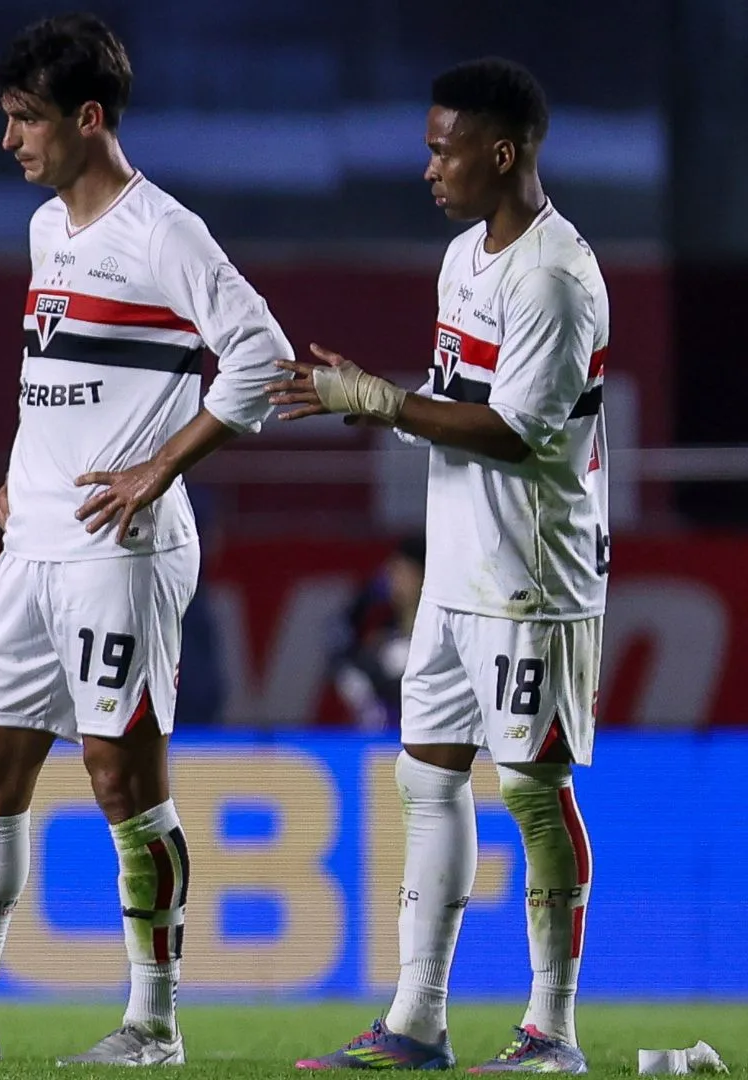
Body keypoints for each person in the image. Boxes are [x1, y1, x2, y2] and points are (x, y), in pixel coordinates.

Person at [0, 13, 291, 1067]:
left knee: (124, 781)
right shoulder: (49, 232)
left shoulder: (162, 231)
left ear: (89, 119)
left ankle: (154, 1022)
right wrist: (20, 468)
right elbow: (63, 375)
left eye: (25, 119)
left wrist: (157, 467)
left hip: (120, 549)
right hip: (33, 543)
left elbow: (259, 356)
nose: (11, 142)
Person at [277, 59, 607, 1074]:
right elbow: (457, 393)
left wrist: (374, 401)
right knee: (428, 783)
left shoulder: (553, 276)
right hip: (457, 574)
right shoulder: (463, 257)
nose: (428, 166)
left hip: (532, 579)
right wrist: (381, 393)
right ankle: (417, 1021)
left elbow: (511, 431)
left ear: (500, 153)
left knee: (533, 791)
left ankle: (552, 1030)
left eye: (442, 146)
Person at [332, 536, 427, 731]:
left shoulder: (441, 639)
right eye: (392, 573)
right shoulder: (380, 641)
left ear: (423, 575)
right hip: (382, 745)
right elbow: (339, 638)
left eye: (404, 573)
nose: (395, 581)